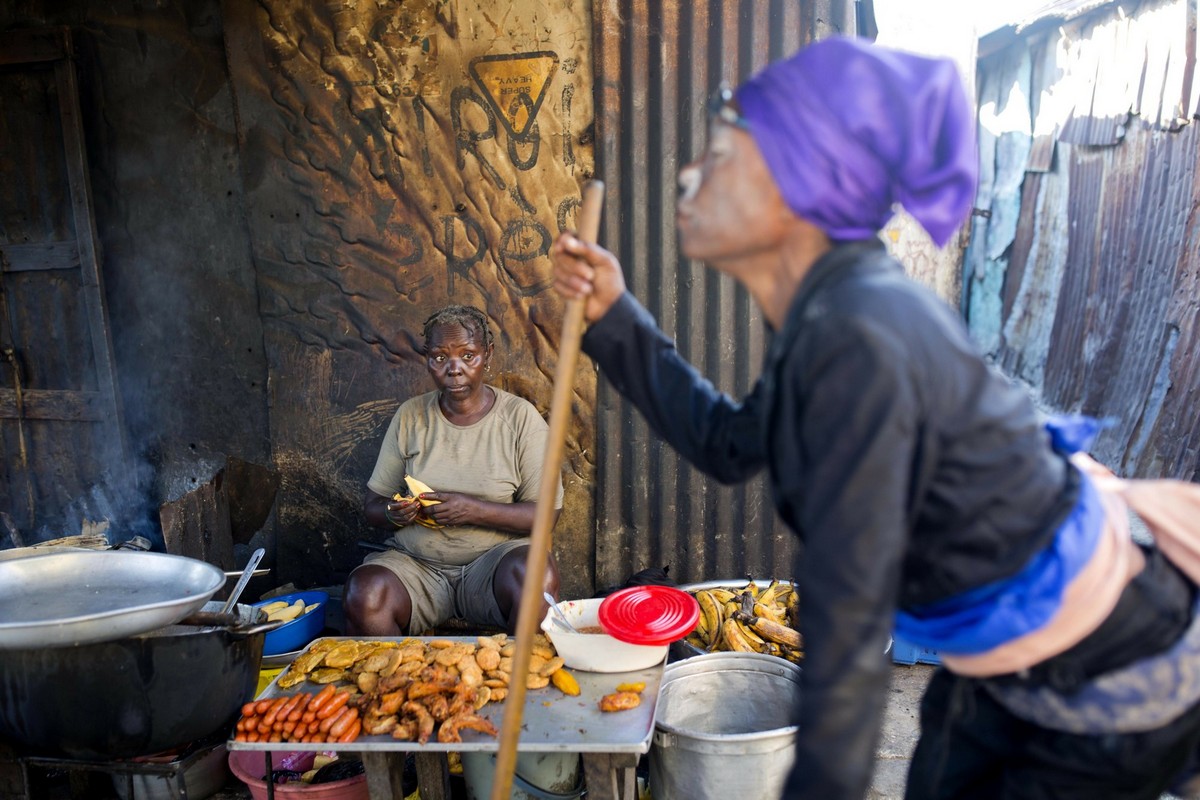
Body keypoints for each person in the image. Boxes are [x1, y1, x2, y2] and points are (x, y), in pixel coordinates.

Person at [551, 35, 1200, 800]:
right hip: (1000, 653)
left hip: (1103, 661)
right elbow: (728, 445)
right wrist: (616, 317)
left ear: (799, 185)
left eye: (720, 154)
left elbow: (847, 639)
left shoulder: (858, 335)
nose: (689, 172)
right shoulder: (823, 317)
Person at [344, 304, 563, 637]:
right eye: (440, 358)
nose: (454, 369)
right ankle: (397, 684)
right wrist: (395, 513)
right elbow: (372, 507)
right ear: (427, 359)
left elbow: (546, 517)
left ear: (487, 355)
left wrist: (472, 510)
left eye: (468, 356)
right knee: (366, 592)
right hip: (417, 566)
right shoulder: (411, 416)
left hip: (492, 566)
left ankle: (516, 683)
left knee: (536, 576)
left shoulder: (520, 419)